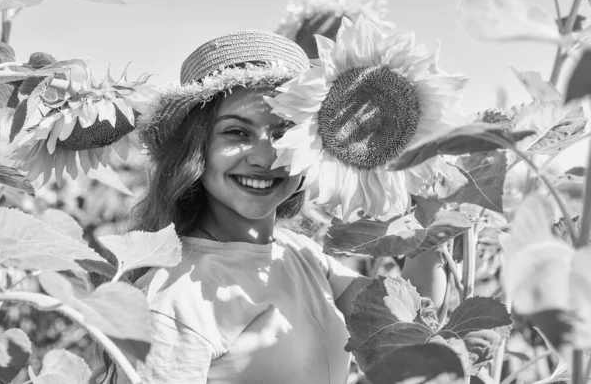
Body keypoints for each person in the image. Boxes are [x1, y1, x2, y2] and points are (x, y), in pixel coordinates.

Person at [116, 29, 446, 384]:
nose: (263, 157)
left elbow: (404, 329)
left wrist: (430, 200)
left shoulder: (301, 256)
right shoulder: (173, 298)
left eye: (282, 133)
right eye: (236, 133)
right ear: (197, 150)